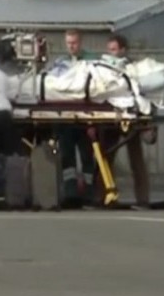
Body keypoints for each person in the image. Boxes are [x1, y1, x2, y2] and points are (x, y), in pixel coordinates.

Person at [97, 33, 152, 206]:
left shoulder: (132, 69)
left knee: (136, 158)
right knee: (106, 157)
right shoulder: (104, 68)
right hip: (111, 116)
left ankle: (142, 198)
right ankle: (104, 195)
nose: (111, 53)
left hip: (130, 116)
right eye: (109, 50)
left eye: (114, 49)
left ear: (123, 50)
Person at [51, 29, 98, 204]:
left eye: (74, 43)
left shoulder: (91, 61)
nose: (71, 46)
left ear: (81, 42)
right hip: (66, 117)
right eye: (69, 43)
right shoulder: (60, 63)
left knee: (87, 156)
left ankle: (89, 192)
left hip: (86, 116)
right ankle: (70, 192)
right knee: (67, 156)